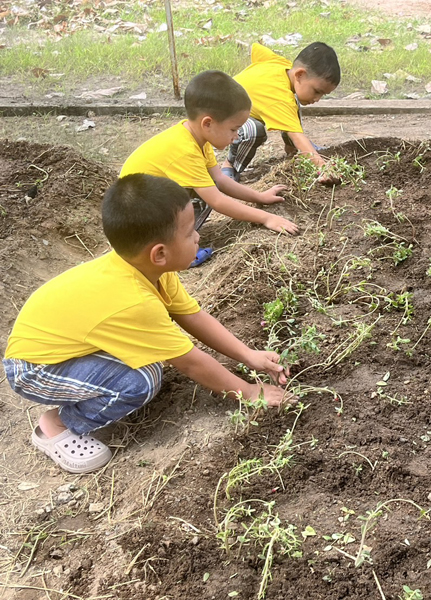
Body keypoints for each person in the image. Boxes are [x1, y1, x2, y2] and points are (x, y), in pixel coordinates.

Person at [3, 175, 293, 473]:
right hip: (34, 369)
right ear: (159, 253)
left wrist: (249, 356)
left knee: (146, 366)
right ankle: (57, 425)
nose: (198, 238)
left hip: (65, 347)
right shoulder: (133, 300)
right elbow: (190, 362)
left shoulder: (150, 271)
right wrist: (247, 392)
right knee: (141, 380)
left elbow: (192, 316)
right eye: (191, 232)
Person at [120, 70, 298, 267]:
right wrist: (266, 218)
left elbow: (220, 181)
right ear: (208, 123)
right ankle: (173, 254)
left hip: (149, 209)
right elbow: (218, 200)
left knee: (205, 191)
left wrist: (260, 197)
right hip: (136, 224)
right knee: (204, 198)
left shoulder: (197, 138)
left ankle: (178, 244)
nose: (237, 136)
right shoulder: (185, 150)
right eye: (233, 129)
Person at [220, 41, 340, 183]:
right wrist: (322, 167)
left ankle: (291, 148)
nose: (317, 99)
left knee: (292, 104)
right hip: (221, 112)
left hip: (235, 105)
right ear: (300, 74)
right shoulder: (280, 98)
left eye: (323, 95)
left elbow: (257, 49)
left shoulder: (282, 65)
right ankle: (229, 165)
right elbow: (297, 135)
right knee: (254, 131)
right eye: (317, 91)